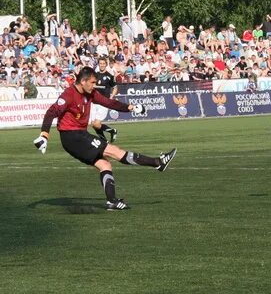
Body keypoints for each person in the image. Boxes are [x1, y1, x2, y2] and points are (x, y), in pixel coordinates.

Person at [33, 66, 177, 210]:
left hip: (79, 136)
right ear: (83, 81)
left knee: (105, 165)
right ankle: (158, 162)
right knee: (114, 151)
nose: (94, 85)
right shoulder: (68, 95)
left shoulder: (90, 93)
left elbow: (109, 103)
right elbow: (51, 112)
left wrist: (130, 107)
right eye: (93, 82)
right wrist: (44, 135)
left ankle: (112, 201)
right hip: (73, 137)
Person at [90, 57, 119, 142]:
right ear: (98, 65)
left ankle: (109, 134)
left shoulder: (109, 76)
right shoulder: (94, 75)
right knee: (93, 124)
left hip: (103, 102)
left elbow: (115, 88)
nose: (102, 65)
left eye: (103, 63)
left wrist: (111, 97)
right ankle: (108, 136)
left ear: (106, 65)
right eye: (100, 63)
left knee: (96, 123)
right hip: (94, 102)